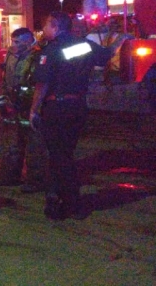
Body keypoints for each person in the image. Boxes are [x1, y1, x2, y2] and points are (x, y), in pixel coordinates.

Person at [29, 11, 112, 220]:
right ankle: (60, 198)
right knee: (65, 153)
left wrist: (33, 110)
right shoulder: (84, 45)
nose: (44, 30)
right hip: (78, 106)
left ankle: (68, 203)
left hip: (56, 108)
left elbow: (42, 83)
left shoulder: (52, 49)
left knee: (59, 156)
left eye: (46, 26)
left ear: (55, 27)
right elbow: (106, 56)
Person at [0, 27, 48, 192]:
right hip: (11, 106)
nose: (13, 44)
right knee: (12, 144)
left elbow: (40, 84)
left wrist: (35, 108)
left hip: (30, 106)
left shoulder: (39, 55)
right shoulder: (10, 55)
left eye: (18, 42)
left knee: (34, 146)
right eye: (12, 41)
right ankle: (9, 177)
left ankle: (35, 181)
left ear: (29, 41)